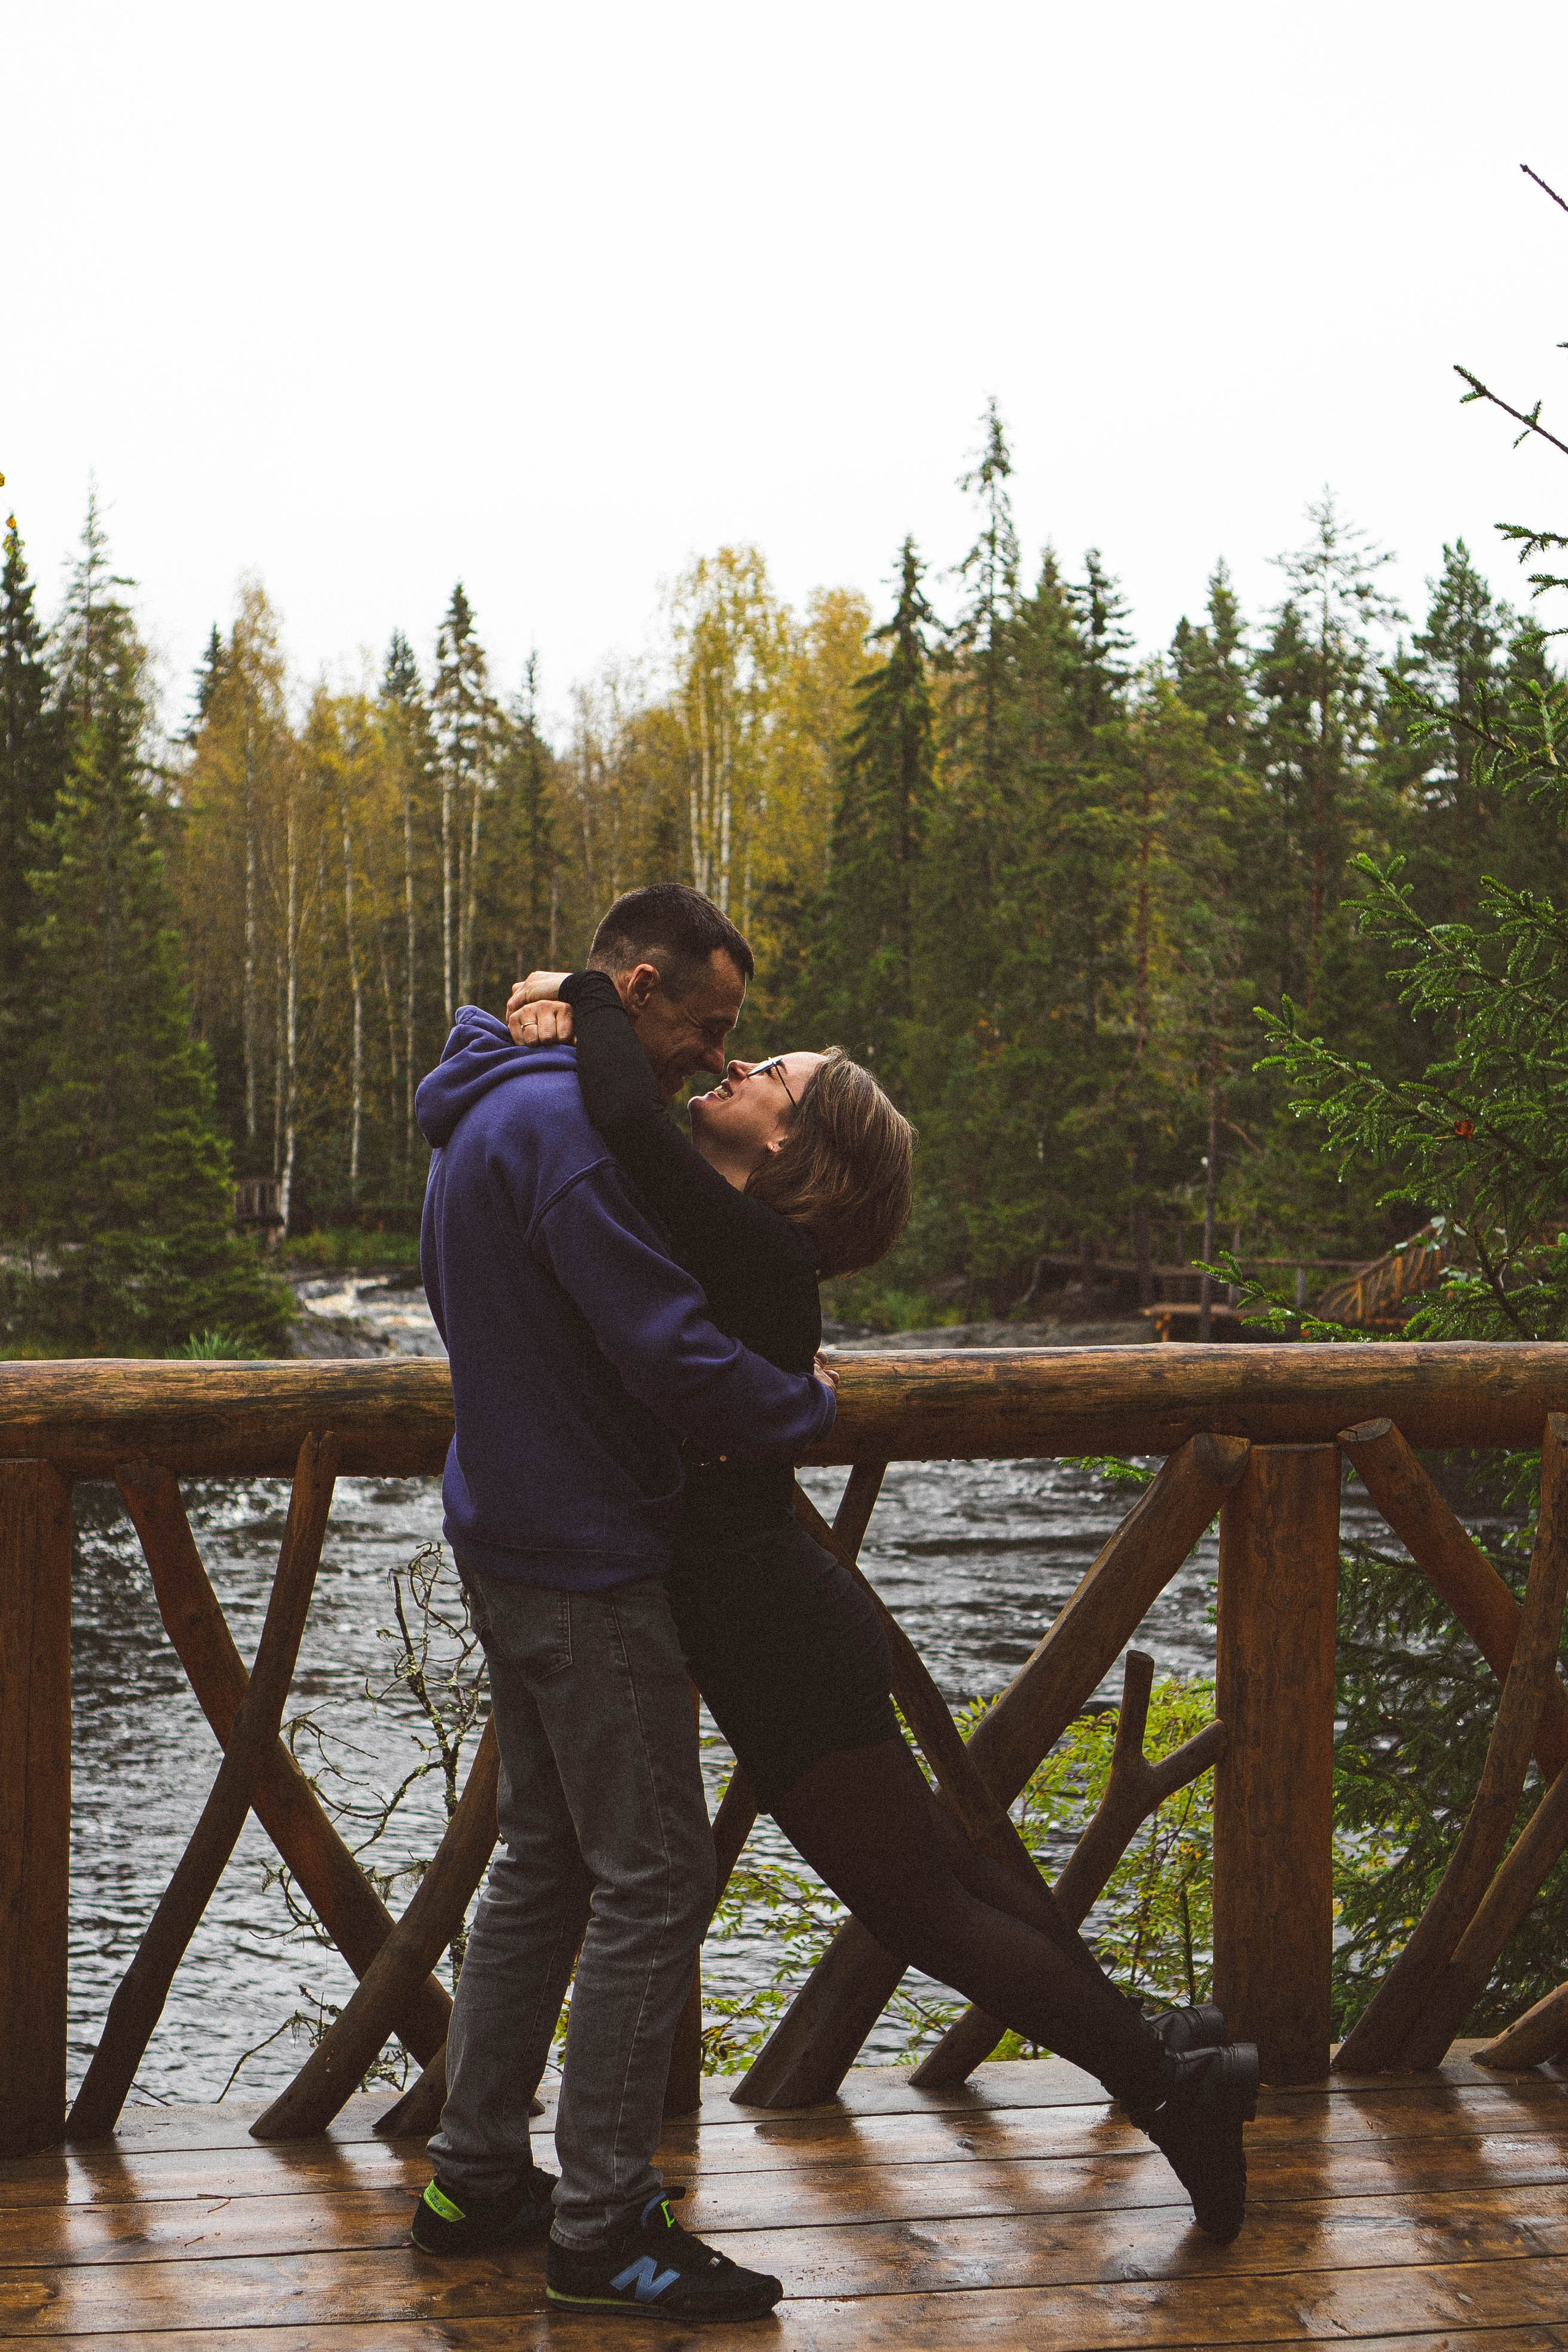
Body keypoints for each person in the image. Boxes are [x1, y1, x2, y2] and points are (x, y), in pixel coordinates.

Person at [506, 959, 1261, 2247]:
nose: (739, 1069)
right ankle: (1165, 2048)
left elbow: (624, 1119)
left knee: (916, 1903)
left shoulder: (747, 1242)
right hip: (779, 1613)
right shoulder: (742, 1248)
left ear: (793, 1142)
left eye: (772, 1073)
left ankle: (1167, 2084)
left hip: (770, 1630)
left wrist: (576, 989)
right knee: (940, 1876)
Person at [412, 885, 839, 2325]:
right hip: (586, 1559)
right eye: (705, 1030)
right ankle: (600, 2227)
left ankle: (474, 2172)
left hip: (502, 1528)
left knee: (546, 1857)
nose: (710, 1062)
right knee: (655, 1874)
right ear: (639, 988)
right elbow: (671, 1355)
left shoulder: (489, 1101)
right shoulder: (569, 1142)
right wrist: (807, 1405)